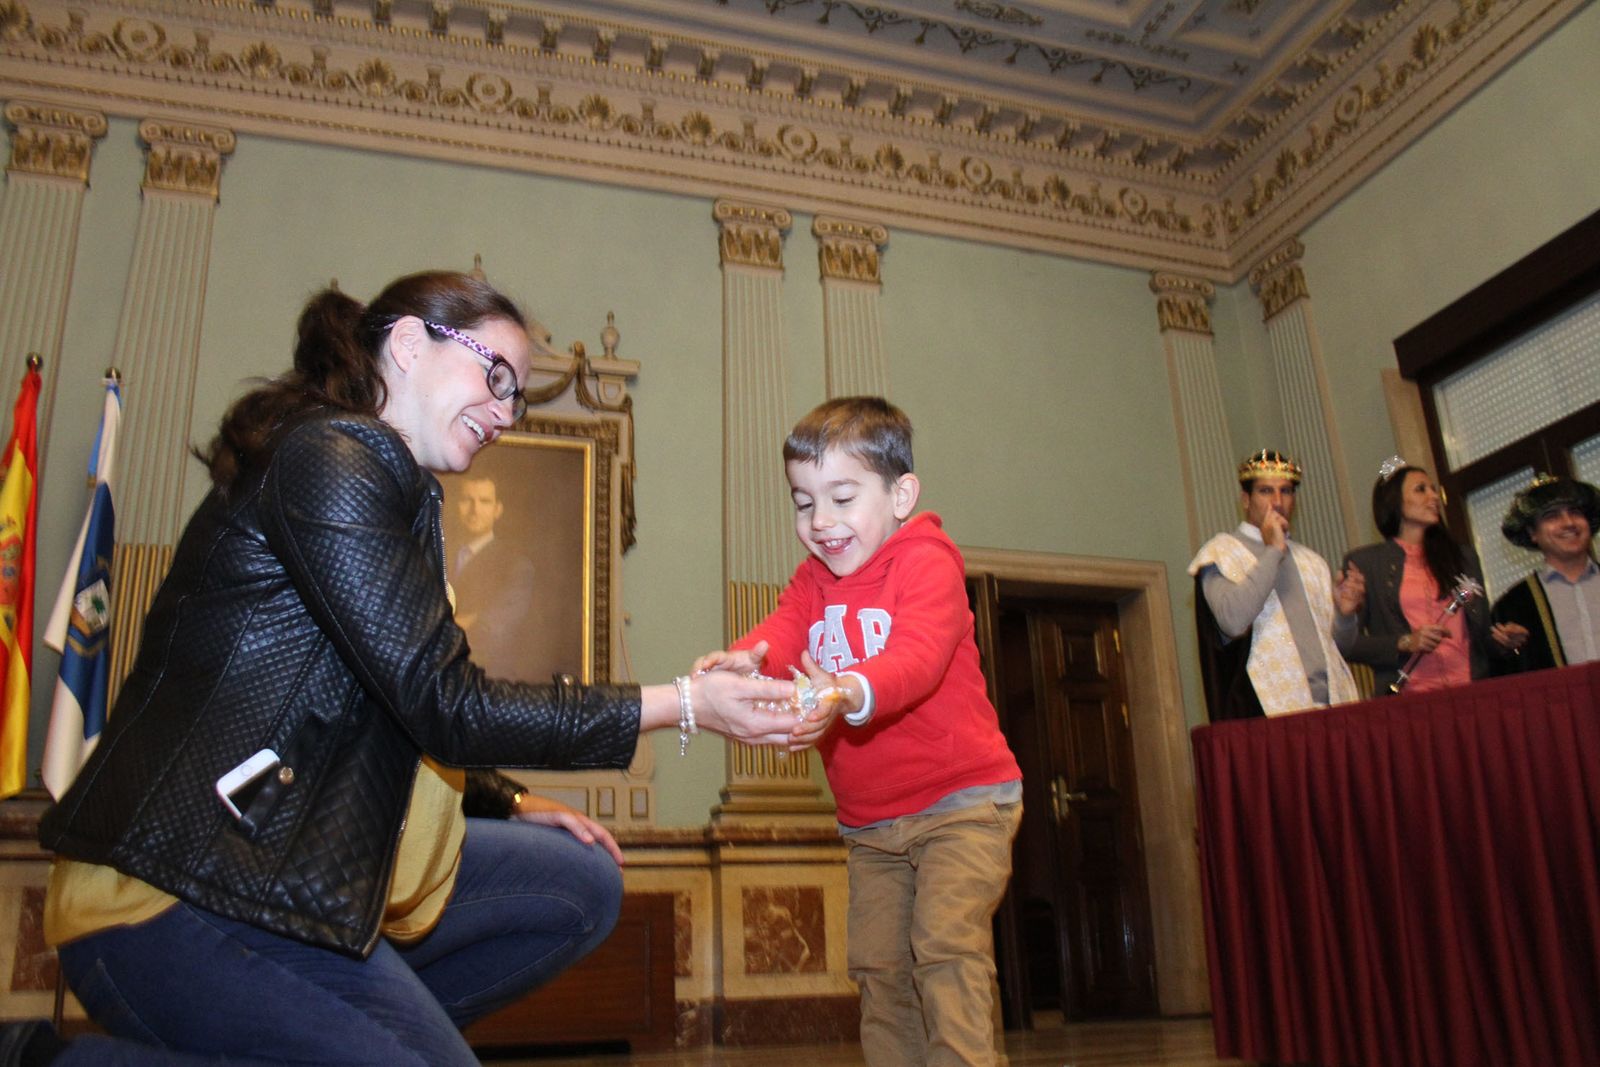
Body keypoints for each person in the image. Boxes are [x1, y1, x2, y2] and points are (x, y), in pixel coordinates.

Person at [28, 271, 801, 1066]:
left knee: (582, 882)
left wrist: (509, 797)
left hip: (292, 875)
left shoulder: (381, 480)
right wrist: (687, 701)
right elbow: (444, 703)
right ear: (405, 344)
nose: (505, 410)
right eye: (494, 375)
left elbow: (385, 702)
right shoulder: (331, 455)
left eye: (518, 395)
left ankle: (356, 1031)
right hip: (180, 888)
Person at [694, 396, 1023, 1067]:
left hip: (963, 804)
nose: (821, 522)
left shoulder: (927, 561)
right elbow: (783, 632)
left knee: (945, 947)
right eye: (803, 501)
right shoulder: (814, 580)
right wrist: (746, 657)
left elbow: (918, 657)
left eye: (842, 497)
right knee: (877, 967)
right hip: (870, 822)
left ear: (901, 494)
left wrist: (844, 689)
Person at [1187, 449, 1363, 719]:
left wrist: (1346, 616)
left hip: (1333, 709)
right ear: (1246, 499)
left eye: (1287, 491)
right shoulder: (1219, 553)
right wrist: (1273, 551)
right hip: (1268, 713)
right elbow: (1232, 621)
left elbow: (1341, 650)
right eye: (1266, 491)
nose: (1278, 501)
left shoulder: (1312, 562)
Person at [1337, 457, 1496, 696]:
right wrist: (1405, 642)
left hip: (1473, 693)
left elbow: (1482, 634)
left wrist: (1503, 641)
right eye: (1421, 489)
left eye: (1433, 489)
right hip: (1408, 700)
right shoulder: (1366, 564)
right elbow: (1346, 643)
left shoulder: (1462, 557)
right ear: (1394, 501)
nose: (1433, 497)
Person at [1490, 474, 1600, 672]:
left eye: (1575, 512)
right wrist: (1507, 650)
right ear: (1532, 533)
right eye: (1552, 516)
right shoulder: (1513, 606)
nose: (1568, 523)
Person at [450, 474, 543, 681]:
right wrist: (469, 618)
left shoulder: (516, 566)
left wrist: (444, 628)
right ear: (457, 505)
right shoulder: (439, 555)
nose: (474, 510)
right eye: (467, 500)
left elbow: (493, 629)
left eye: (484, 501)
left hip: (488, 680)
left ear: (497, 510)